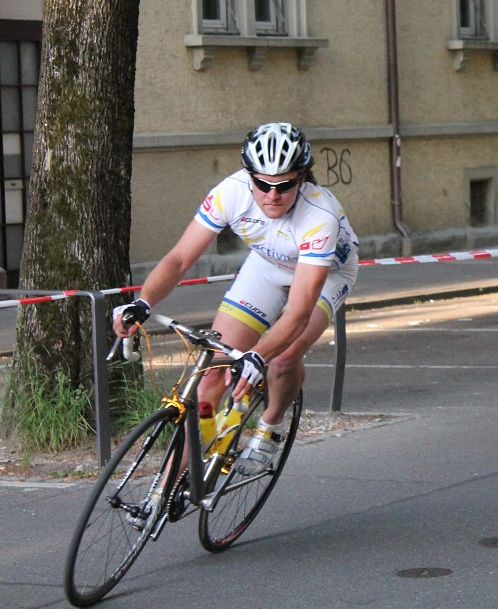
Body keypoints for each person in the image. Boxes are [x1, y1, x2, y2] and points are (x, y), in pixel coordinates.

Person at [113, 122, 358, 473]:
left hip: (328, 274)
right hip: (267, 265)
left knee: (284, 357)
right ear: (249, 177)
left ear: (302, 179)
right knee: (212, 373)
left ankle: (270, 426)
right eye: (262, 184)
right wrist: (143, 302)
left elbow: (301, 310)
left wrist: (258, 355)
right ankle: (163, 490)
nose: (272, 195)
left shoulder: (320, 215)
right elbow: (180, 259)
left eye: (285, 185)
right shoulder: (231, 193)